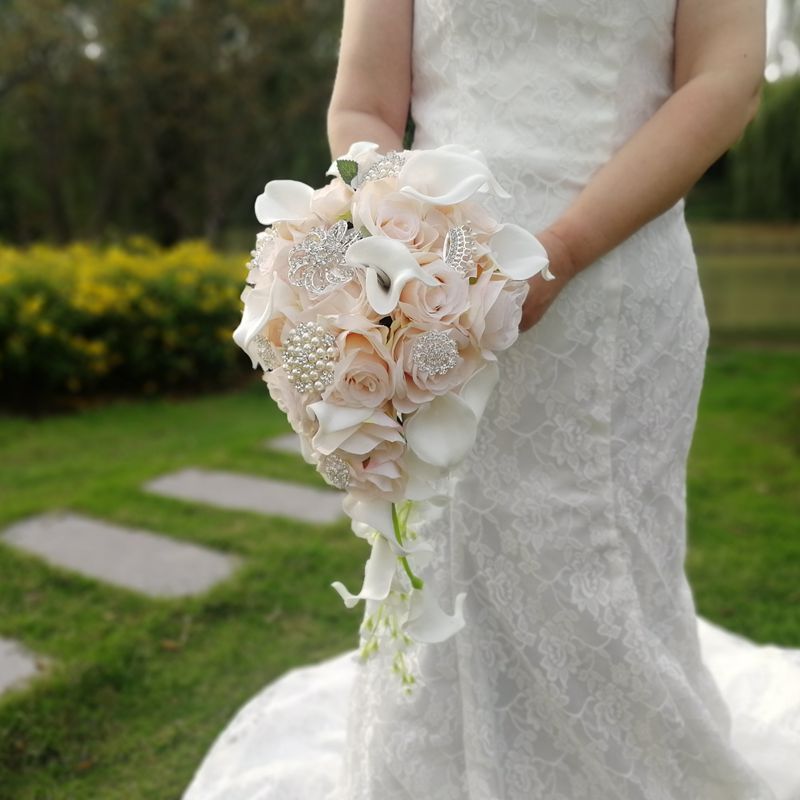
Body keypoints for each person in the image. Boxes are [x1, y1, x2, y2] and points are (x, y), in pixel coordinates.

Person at [182, 1, 800, 798]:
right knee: (447, 546)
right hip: (437, 291)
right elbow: (365, 101)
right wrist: (390, 252)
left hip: (617, 291)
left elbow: (722, 81)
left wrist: (565, 249)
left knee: (600, 541)